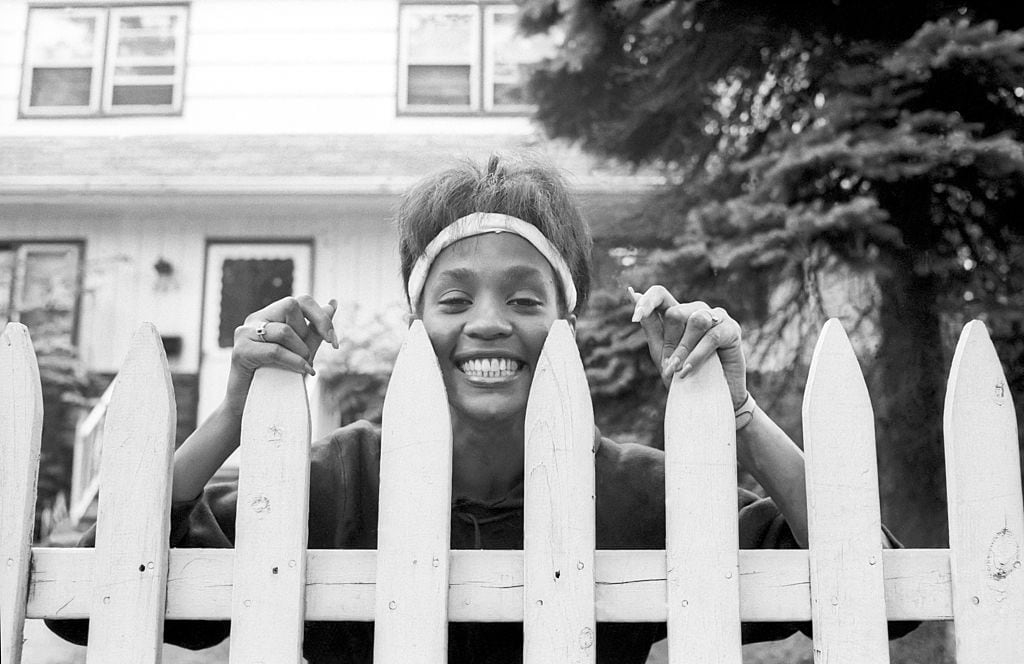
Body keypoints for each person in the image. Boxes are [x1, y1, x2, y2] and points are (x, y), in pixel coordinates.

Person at [48, 152, 914, 662]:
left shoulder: (641, 494)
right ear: (417, 322)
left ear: (568, 322)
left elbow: (873, 587)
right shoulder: (331, 482)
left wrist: (738, 414)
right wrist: (236, 411)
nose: (489, 322)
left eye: (526, 300)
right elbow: (88, 599)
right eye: (454, 299)